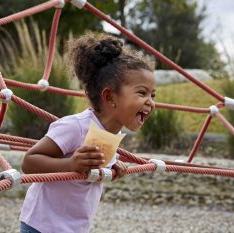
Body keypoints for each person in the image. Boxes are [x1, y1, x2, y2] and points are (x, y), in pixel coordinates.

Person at [19, 32, 156, 233]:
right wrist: (71, 163)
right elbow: (29, 163)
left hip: (74, 227)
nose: (150, 102)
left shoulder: (111, 133)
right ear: (110, 97)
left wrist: (112, 166)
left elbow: (90, 171)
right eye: (142, 93)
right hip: (42, 225)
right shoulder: (76, 127)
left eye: (153, 95)